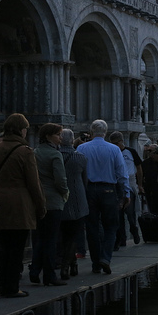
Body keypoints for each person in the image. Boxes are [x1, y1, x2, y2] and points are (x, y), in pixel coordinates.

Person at [0, 113, 46, 298]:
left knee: (4, 246)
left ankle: (2, 283)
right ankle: (12, 287)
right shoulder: (25, 151)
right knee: (16, 248)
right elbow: (33, 183)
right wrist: (41, 205)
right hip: (19, 204)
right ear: (21, 130)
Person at [77, 120, 129, 274]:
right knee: (111, 226)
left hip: (89, 190)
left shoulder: (81, 148)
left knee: (92, 228)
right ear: (105, 132)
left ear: (92, 132)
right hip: (108, 190)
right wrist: (126, 193)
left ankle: (95, 263)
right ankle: (105, 258)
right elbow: (122, 173)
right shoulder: (114, 149)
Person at [30, 123, 69, 286]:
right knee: (51, 239)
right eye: (58, 134)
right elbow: (60, 180)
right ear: (48, 136)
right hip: (53, 201)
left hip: (37, 199)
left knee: (39, 238)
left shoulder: (34, 152)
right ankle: (49, 275)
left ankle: (34, 270)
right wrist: (65, 193)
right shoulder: (55, 155)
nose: (61, 137)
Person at [58, 129, 88, 280]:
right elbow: (85, 180)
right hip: (77, 198)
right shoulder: (80, 157)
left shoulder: (54, 156)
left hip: (59, 199)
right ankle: (66, 266)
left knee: (63, 234)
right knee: (73, 234)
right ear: (72, 140)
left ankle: (72, 264)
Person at [109, 131, 143, 247]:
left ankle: (134, 230)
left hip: (130, 181)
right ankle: (121, 239)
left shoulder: (131, 151)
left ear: (121, 141)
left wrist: (140, 184)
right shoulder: (112, 152)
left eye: (116, 143)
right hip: (117, 184)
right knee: (119, 215)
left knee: (130, 212)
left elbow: (139, 167)